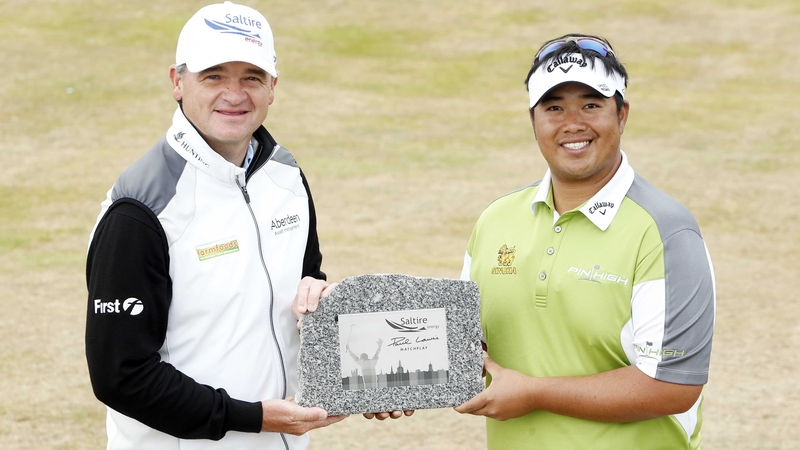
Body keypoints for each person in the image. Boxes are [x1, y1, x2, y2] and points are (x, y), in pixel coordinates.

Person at [85, 3, 345, 449]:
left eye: (251, 77)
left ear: (273, 87)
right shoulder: (139, 211)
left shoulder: (285, 176)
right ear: (177, 83)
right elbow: (120, 376)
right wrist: (254, 418)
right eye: (214, 76)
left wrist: (322, 303)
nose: (234, 93)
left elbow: (306, 283)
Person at [455, 34, 716, 449]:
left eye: (591, 105)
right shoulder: (495, 219)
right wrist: (388, 381)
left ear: (622, 114)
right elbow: (464, 344)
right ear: (533, 119)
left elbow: (672, 387)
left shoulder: (666, 232)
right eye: (554, 107)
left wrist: (535, 393)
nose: (572, 124)